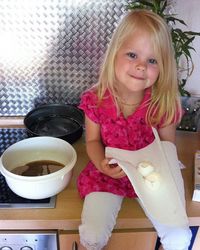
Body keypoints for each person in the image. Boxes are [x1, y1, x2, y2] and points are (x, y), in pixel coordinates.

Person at [77, 9, 192, 250]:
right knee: (93, 234)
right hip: (110, 174)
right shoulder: (96, 99)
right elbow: (92, 142)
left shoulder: (162, 102)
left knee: (179, 237)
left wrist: (169, 191)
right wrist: (101, 165)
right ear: (114, 53)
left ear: (162, 66)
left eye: (152, 61)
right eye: (132, 54)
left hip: (151, 174)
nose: (141, 66)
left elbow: (167, 149)